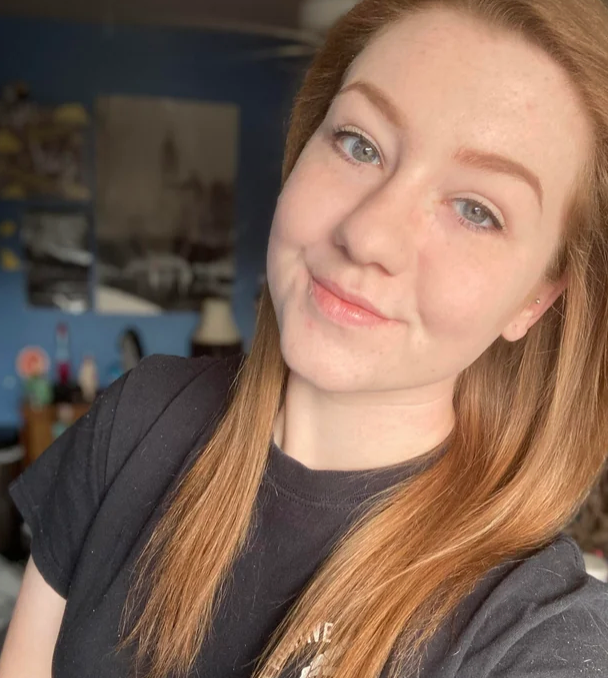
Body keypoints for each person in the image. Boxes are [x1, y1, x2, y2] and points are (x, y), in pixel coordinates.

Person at [2, 0, 608, 676]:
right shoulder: (139, 420)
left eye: (476, 210)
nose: (368, 234)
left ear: (535, 299)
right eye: (360, 144)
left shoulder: (537, 634)